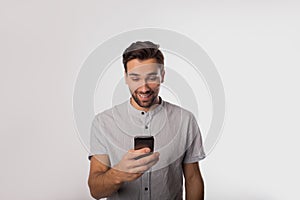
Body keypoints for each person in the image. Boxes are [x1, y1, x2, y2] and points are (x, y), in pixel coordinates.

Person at [88, 41, 206, 200]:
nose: (144, 88)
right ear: (126, 78)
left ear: (162, 76)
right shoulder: (103, 123)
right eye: (135, 78)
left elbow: (192, 179)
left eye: (151, 77)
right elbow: (96, 191)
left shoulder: (185, 120)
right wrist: (119, 173)